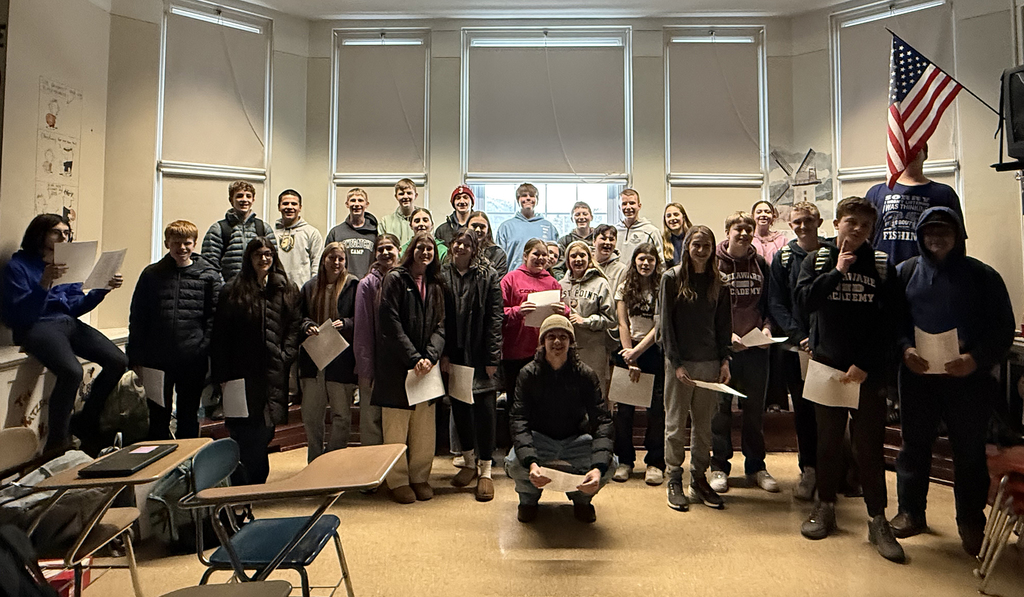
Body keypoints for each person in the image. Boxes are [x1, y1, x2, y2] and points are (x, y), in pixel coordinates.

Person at [891, 207, 1014, 557]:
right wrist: (905, 349)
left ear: (958, 235)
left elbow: (1002, 329)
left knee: (969, 451)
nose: (936, 238)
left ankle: (970, 519)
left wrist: (975, 359)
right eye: (929, 232)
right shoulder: (905, 273)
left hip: (968, 378)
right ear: (920, 236)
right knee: (913, 445)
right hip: (917, 375)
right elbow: (893, 322)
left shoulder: (983, 276)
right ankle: (911, 512)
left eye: (944, 231)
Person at [795, 196, 905, 563]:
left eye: (864, 225)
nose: (856, 229)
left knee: (869, 448)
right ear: (837, 223)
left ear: (871, 230)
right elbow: (806, 303)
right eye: (850, 222)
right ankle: (825, 506)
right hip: (827, 368)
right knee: (827, 444)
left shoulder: (880, 266)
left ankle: (877, 519)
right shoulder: (819, 260)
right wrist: (837, 273)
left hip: (866, 373)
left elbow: (891, 323)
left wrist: (866, 363)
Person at [1, 214, 127, 453]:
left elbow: (74, 307)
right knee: (71, 371)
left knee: (118, 360)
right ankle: (57, 441)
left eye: (67, 233)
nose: (63, 237)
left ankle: (86, 420)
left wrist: (101, 290)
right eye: (56, 232)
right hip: (37, 326)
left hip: (65, 322)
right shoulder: (18, 266)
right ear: (40, 235)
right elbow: (19, 315)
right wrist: (44, 283)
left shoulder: (66, 264)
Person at [504, 314, 615, 523]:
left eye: (563, 337)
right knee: (515, 463)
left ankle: (582, 499)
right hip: (540, 439)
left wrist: (598, 467)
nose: (557, 342)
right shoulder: (527, 375)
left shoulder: (586, 375)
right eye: (551, 336)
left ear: (571, 343)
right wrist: (531, 462)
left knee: (611, 464)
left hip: (575, 439)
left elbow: (602, 422)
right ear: (543, 342)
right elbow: (519, 420)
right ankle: (528, 499)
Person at [211, 237, 301, 485]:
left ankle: (254, 480)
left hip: (274, 371)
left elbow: (294, 325)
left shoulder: (286, 288)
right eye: (258, 254)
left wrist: (286, 354)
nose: (264, 259)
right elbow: (220, 336)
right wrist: (221, 376)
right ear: (249, 258)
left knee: (267, 429)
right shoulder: (233, 290)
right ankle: (247, 484)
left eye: (268, 254)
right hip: (240, 374)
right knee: (243, 430)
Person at [128, 220, 222, 441]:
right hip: (156, 359)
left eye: (187, 243)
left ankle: (187, 465)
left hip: (192, 358)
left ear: (195, 243)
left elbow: (214, 317)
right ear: (166, 243)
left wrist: (204, 348)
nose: (182, 248)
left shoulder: (208, 275)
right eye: (176, 243)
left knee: (188, 416)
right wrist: (135, 356)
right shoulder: (151, 275)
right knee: (158, 415)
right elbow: (138, 317)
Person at [660, 225, 732, 511]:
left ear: (713, 248)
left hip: (710, 363)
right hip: (680, 364)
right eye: (695, 245)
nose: (701, 251)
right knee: (676, 425)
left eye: (706, 246)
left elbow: (724, 325)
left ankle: (698, 478)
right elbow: (666, 326)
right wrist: (676, 363)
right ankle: (674, 478)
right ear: (687, 247)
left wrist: (725, 360)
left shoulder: (720, 282)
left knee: (704, 427)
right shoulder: (672, 278)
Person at [373, 232, 446, 504]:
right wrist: (414, 357)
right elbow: (390, 322)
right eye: (420, 248)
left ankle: (419, 477)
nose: (425, 252)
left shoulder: (436, 284)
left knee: (424, 429)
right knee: (396, 428)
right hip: (398, 367)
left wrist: (430, 356)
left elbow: (442, 324)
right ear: (410, 250)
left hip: (427, 368)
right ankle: (398, 480)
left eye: (430, 249)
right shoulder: (394, 278)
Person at [711, 211, 777, 494]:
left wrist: (767, 329)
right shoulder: (713, 263)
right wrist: (726, 335)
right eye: (738, 229)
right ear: (727, 231)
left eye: (749, 229)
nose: (744, 234)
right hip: (724, 350)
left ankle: (756, 467)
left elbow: (769, 303)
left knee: (754, 413)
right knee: (720, 412)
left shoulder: (760, 262)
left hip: (755, 350)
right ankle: (718, 468)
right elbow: (706, 308)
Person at [767, 202, 827, 501]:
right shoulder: (785, 258)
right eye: (796, 222)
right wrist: (801, 337)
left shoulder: (833, 254)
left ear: (819, 221)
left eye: (808, 221)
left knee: (831, 411)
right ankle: (809, 469)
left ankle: (835, 471)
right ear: (790, 225)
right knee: (803, 410)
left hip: (829, 347)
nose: (802, 226)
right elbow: (776, 303)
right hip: (797, 347)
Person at [440, 230, 503, 501]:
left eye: (466, 244)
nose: (461, 247)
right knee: (461, 409)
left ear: (475, 248)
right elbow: (438, 316)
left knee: (486, 411)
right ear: (451, 246)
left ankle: (486, 470)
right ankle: (468, 463)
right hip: (454, 354)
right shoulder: (442, 275)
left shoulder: (488, 275)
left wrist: (492, 358)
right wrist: (443, 354)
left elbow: (495, 318)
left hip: (481, 355)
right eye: (457, 243)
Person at [298, 243, 359, 463]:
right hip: (313, 359)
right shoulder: (309, 287)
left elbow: (359, 318)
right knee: (311, 415)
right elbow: (299, 317)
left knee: (341, 415)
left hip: (341, 358)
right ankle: (314, 459)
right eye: (331, 258)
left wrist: (347, 323)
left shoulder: (353, 285)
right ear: (323, 259)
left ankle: (332, 459)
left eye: (340, 259)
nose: (336, 263)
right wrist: (307, 326)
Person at [611, 243, 666, 486]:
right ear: (634, 261)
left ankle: (655, 462)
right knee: (624, 412)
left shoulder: (663, 287)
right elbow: (622, 322)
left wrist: (638, 352)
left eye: (650, 260)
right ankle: (624, 460)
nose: (645, 264)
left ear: (656, 263)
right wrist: (628, 355)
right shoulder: (625, 287)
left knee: (656, 411)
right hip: (627, 350)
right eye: (641, 259)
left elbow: (660, 326)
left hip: (653, 351)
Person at [865, 143, 964, 265]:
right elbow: (865, 237)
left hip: (926, 273)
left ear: (925, 154)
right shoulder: (876, 192)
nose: (911, 152)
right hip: (883, 270)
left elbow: (959, 241)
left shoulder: (945, 193)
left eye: (917, 147)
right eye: (905, 149)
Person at [500, 239, 569, 396]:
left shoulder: (553, 283)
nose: (541, 258)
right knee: (516, 398)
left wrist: (563, 311)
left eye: (544, 255)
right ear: (525, 256)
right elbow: (498, 313)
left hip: (545, 352)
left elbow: (565, 315)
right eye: (536, 254)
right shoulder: (510, 279)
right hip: (515, 351)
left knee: (543, 400)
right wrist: (518, 311)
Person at [352, 234, 401, 447]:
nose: (385, 253)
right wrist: (365, 369)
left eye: (389, 248)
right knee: (371, 420)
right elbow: (362, 330)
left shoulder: (404, 279)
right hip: (373, 363)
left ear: (398, 250)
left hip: (398, 363)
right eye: (380, 249)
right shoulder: (366, 285)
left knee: (395, 422)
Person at [559, 241, 616, 401]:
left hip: (593, 349)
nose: (578, 259)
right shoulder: (560, 285)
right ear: (567, 260)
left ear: (590, 258)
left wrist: (586, 321)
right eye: (573, 256)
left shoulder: (601, 284)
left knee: (593, 394)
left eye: (582, 255)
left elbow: (611, 320)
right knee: (568, 395)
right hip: (567, 350)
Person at [202, 180, 277, 283]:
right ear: (231, 200)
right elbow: (210, 265)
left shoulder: (263, 228)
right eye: (239, 196)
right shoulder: (218, 229)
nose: (244, 200)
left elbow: (273, 261)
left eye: (248, 196)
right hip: (230, 292)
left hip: (258, 291)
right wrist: (224, 288)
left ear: (253, 200)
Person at [495, 183, 559, 271]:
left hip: (541, 280)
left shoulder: (549, 228)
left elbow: (555, 258)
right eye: (524, 195)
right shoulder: (506, 227)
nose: (528, 198)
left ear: (537, 200)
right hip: (513, 279)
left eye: (532, 196)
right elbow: (499, 259)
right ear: (518, 200)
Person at [274, 189, 324, 287]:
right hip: (276, 291)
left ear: (300, 207)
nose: (289, 207)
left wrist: (313, 289)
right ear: (279, 207)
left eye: (294, 204)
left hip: (302, 292)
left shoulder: (312, 233)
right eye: (285, 203)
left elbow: (317, 265)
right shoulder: (272, 233)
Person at [325, 187, 378, 280]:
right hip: (342, 284)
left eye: (360, 200)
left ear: (367, 204)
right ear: (347, 204)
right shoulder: (336, 232)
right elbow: (327, 262)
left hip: (368, 285)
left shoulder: (375, 232)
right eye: (353, 200)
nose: (356, 204)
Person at [616, 189, 663, 263]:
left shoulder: (651, 232)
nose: (628, 207)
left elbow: (660, 262)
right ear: (619, 207)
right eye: (624, 204)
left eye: (632, 203)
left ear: (639, 206)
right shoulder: (614, 232)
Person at [377, 178, 420, 247]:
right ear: (396, 197)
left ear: (416, 195)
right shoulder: (385, 222)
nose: (405, 196)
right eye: (401, 194)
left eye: (409, 193)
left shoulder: (423, 220)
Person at [467, 211, 508, 277]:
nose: (478, 229)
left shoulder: (498, 254)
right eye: (474, 226)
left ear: (488, 229)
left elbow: (499, 281)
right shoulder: (459, 250)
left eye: (482, 227)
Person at [592, 224, 627, 295]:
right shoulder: (584, 265)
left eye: (611, 239)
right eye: (603, 238)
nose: (607, 242)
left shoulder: (622, 270)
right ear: (594, 241)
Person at [751, 200, 787, 265]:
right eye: (759, 212)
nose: (763, 214)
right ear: (752, 216)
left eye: (767, 212)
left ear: (773, 216)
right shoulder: (748, 239)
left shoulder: (782, 240)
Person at [662, 202, 692, 267]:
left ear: (683, 217)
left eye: (676, 214)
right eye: (668, 216)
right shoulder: (662, 241)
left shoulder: (693, 238)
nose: (672, 218)